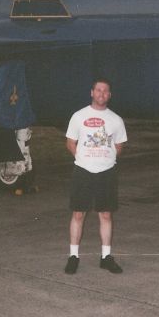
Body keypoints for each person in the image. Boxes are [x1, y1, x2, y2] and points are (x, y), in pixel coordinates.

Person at [64, 78, 127, 274]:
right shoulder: (78, 116)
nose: (101, 93)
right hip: (83, 171)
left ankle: (106, 257)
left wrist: (105, 160)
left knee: (106, 215)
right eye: (98, 90)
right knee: (78, 214)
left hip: (106, 172)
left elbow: (119, 146)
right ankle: (73, 256)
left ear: (109, 95)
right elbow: (70, 142)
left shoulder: (116, 120)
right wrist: (83, 159)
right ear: (92, 92)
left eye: (105, 91)